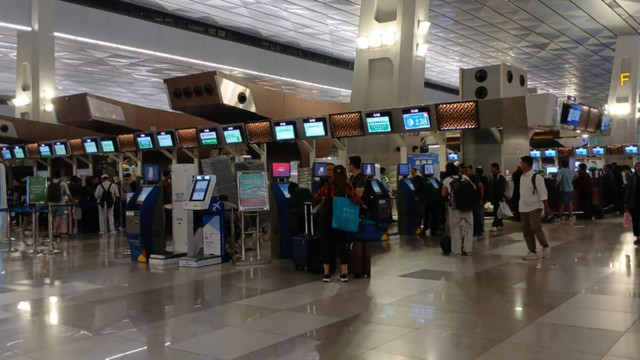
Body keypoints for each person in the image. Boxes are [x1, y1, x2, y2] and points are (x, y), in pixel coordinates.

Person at [314, 165, 365, 282]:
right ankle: (344, 273)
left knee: (327, 244)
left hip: (328, 218)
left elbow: (317, 196)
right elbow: (354, 198)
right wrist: (362, 205)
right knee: (343, 245)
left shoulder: (328, 186)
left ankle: (326, 274)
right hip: (341, 218)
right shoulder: (346, 186)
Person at [519, 156, 552, 260]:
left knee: (535, 227)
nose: (520, 165)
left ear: (526, 164)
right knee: (526, 230)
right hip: (523, 207)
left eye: (521, 163)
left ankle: (545, 245)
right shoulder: (522, 177)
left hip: (535, 206)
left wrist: (546, 208)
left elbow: (543, 193)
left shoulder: (536, 177)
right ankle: (532, 250)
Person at [441, 162, 475, 256]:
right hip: (468, 207)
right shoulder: (465, 177)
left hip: (455, 207)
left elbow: (443, 194)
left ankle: (456, 251)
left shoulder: (447, 180)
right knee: (469, 228)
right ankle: (468, 249)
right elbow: (474, 187)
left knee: (455, 229)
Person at [46, 170, 76, 240]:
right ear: (60, 176)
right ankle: (55, 233)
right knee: (58, 218)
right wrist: (73, 201)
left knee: (51, 219)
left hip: (51, 204)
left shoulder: (49, 183)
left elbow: (46, 194)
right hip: (60, 203)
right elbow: (68, 194)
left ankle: (50, 232)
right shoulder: (63, 183)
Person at [462, 164, 484, 237]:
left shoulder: (474, 177)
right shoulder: (464, 178)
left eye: (467, 170)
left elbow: (481, 186)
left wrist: (480, 197)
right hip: (469, 200)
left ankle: (478, 231)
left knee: (476, 215)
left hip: (475, 199)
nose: (465, 171)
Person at [624, 162, 640, 246]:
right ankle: (637, 237)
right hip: (635, 202)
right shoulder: (632, 177)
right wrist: (627, 203)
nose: (638, 168)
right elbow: (628, 191)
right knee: (635, 220)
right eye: (637, 167)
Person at [489, 163, 507, 232]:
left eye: (492, 168)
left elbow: (502, 188)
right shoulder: (493, 177)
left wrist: (502, 197)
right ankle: (500, 224)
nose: (490, 169)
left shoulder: (500, 177)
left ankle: (494, 225)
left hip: (498, 197)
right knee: (498, 211)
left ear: (496, 168)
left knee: (496, 211)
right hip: (495, 197)